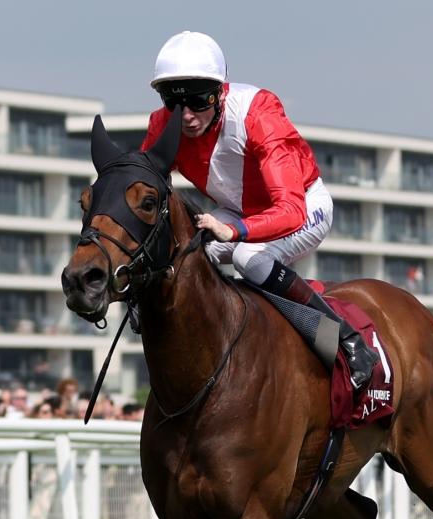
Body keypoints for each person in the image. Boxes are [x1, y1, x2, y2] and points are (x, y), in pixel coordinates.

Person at [141, 30, 377, 391]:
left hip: (304, 206)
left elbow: (290, 210)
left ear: (219, 92)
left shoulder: (258, 113)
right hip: (237, 210)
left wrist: (235, 232)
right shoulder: (163, 124)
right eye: (174, 103)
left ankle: (346, 340)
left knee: (248, 258)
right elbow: (142, 184)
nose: (186, 116)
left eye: (199, 101)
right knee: (187, 254)